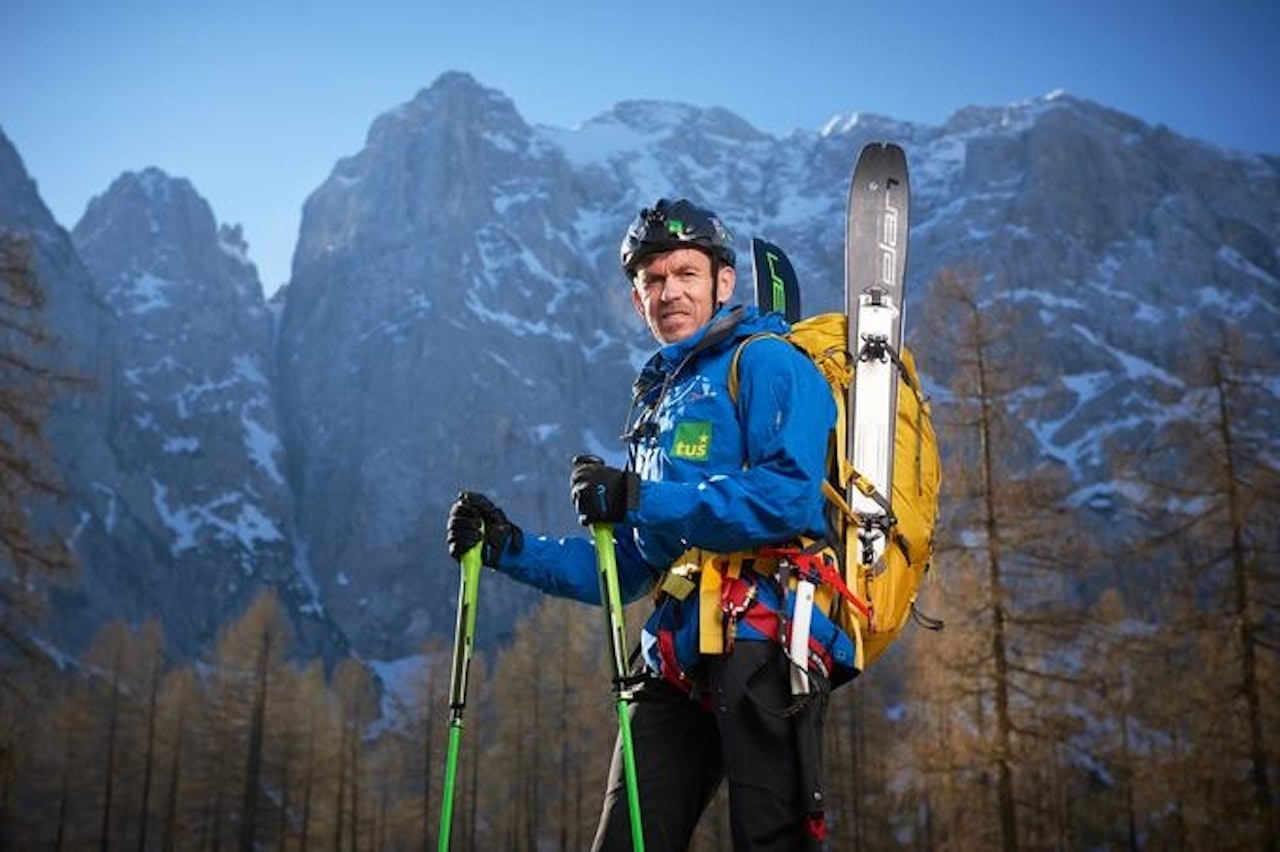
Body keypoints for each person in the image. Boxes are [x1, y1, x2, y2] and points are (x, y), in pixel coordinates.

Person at [446, 198, 856, 851]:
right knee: (625, 841)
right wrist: (509, 548)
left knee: (771, 841)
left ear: (724, 282)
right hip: (675, 657)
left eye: (686, 273)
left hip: (766, 636)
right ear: (637, 301)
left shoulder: (767, 362)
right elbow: (634, 567)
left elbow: (787, 497)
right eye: (653, 279)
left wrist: (640, 495)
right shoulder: (659, 402)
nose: (670, 292)